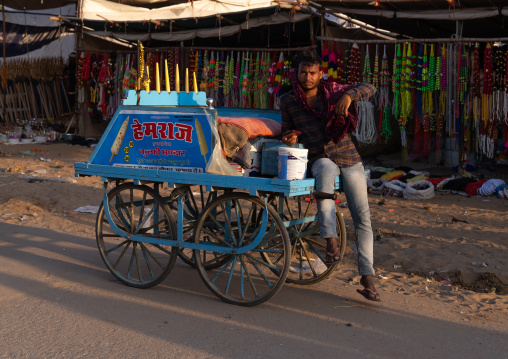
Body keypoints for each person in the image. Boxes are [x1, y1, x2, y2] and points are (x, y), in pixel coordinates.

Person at [279, 50, 380, 302]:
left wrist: (349, 95)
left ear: (320, 73)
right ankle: (330, 239)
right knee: (323, 172)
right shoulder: (288, 100)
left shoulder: (333, 93)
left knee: (362, 218)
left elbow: (370, 87)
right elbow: (285, 131)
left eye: (312, 72)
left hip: (348, 156)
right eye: (303, 72)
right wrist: (290, 136)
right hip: (318, 157)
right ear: (297, 72)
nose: (308, 77)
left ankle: (367, 276)